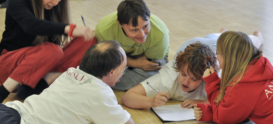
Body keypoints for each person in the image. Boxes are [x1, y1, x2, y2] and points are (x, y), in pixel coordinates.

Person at [0, 40, 135, 124]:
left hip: (10, 110)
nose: (122, 75)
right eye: (122, 69)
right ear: (111, 72)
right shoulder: (101, 94)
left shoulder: (71, 72)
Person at [0, 0, 96, 102]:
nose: (55, 2)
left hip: (37, 72)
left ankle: (42, 83)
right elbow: (31, 25)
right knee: (53, 51)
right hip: (9, 67)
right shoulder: (18, 2)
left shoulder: (55, 9)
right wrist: (69, 29)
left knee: (88, 40)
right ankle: (2, 92)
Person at [194, 31, 273, 123]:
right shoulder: (261, 67)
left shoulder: (242, 89)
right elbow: (242, 109)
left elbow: (223, 119)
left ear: (228, 58)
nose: (216, 56)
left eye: (218, 53)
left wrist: (212, 82)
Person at [95, 0, 170, 90]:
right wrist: (135, 63)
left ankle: (107, 81)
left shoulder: (160, 33)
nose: (142, 35)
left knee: (156, 71)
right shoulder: (104, 30)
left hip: (147, 59)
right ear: (119, 23)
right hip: (118, 59)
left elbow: (150, 63)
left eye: (145, 26)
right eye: (134, 30)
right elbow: (107, 57)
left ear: (149, 14)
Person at [122, 42, 219, 109]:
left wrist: (202, 102)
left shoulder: (212, 77)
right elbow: (127, 97)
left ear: (204, 78)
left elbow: (229, 102)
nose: (185, 82)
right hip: (189, 45)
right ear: (179, 69)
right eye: (183, 74)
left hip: (215, 49)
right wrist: (151, 102)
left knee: (216, 40)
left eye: (194, 79)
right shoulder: (168, 79)